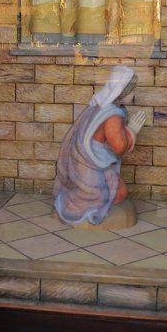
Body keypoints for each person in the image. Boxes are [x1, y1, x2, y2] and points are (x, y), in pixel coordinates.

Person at [53, 65, 146, 225]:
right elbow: (119, 147)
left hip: (87, 162)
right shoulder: (112, 116)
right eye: (132, 91)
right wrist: (132, 131)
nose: (134, 94)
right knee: (114, 194)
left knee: (118, 191)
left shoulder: (99, 104)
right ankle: (72, 202)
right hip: (89, 165)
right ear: (122, 91)